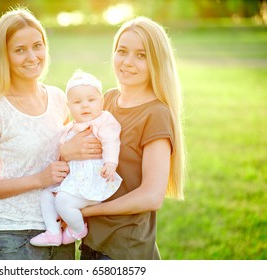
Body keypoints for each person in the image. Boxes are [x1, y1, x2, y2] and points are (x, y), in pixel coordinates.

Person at [60, 16, 186, 260]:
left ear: (156, 62)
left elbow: (151, 196)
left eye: (141, 55)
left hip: (123, 250)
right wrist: (66, 152)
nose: (128, 62)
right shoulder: (105, 100)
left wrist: (87, 211)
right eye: (122, 51)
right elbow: (71, 146)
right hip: (91, 242)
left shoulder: (156, 114)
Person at [0, 7, 77, 260]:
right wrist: (40, 179)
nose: (32, 56)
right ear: (4, 56)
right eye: (19, 50)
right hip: (15, 236)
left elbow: (69, 159)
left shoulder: (59, 99)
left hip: (60, 229)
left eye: (38, 46)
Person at [29, 70, 122, 247]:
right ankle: (53, 232)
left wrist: (111, 163)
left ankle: (78, 229)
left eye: (91, 100)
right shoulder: (69, 129)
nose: (85, 106)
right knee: (47, 195)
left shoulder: (103, 121)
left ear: (101, 101)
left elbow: (111, 140)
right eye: (77, 102)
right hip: (75, 181)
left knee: (63, 201)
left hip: (94, 181)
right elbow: (59, 152)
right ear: (69, 106)